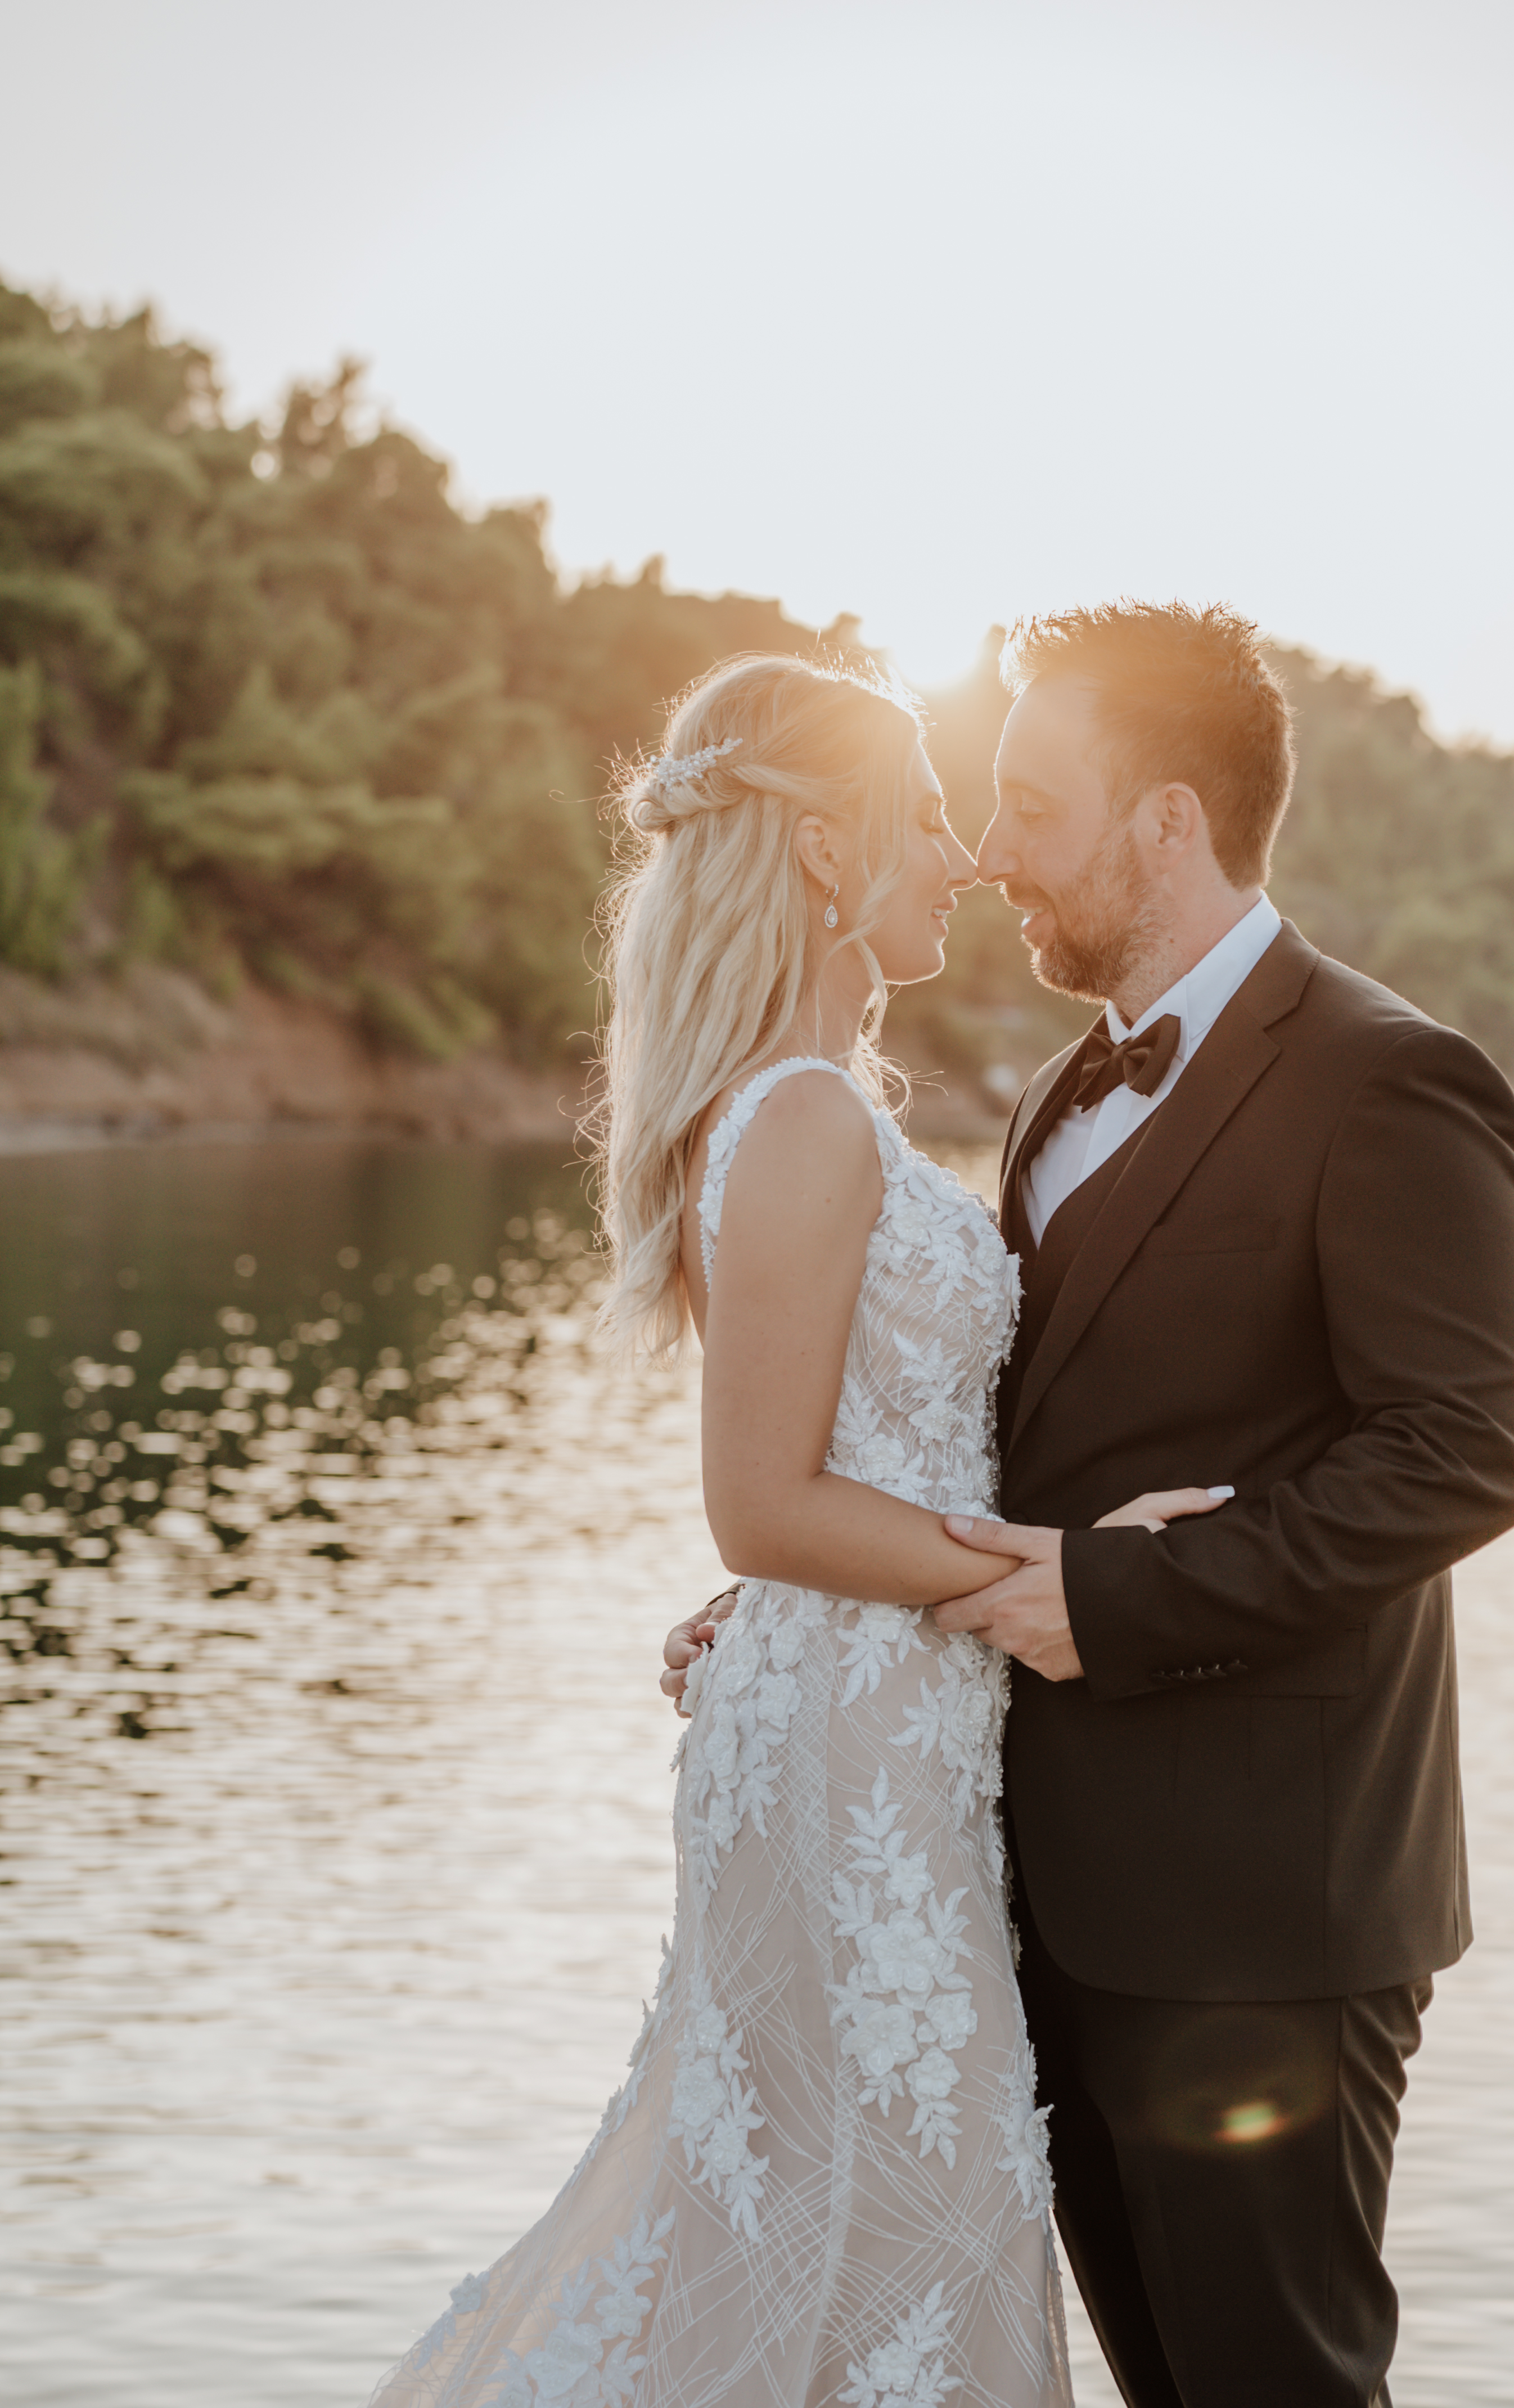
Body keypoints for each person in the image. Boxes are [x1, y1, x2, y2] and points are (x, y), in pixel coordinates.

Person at [666, 603, 1514, 2407]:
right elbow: (996, 1452)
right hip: (1022, 1891)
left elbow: (1463, 1447)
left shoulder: (1387, 1079)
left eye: (1033, 807)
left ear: (1165, 821)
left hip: (1263, 1913)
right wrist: (794, 1587)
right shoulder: (1059, 1096)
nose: (988, 854)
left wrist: (1123, 1599)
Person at [370, 651, 1208, 2408]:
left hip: (866, 1710)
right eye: (919, 816)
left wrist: (824, 1586)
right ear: (824, 852)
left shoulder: (799, 1105)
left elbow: (816, 1476)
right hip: (851, 1753)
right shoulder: (807, 1113)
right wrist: (1053, 1566)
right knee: (905, 2198)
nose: (958, 855)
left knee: (834, 2204)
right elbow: (762, 1503)